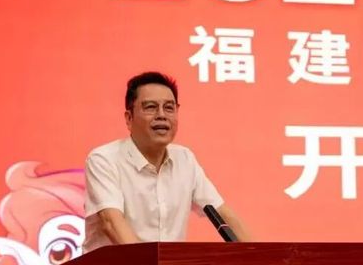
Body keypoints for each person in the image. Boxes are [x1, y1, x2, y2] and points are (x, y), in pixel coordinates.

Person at [83, 71, 249, 252]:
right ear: (129, 118)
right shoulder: (104, 160)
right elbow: (111, 222)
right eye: (150, 107)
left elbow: (222, 213)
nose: (161, 115)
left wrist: (262, 258)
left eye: (169, 108)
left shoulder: (185, 159)